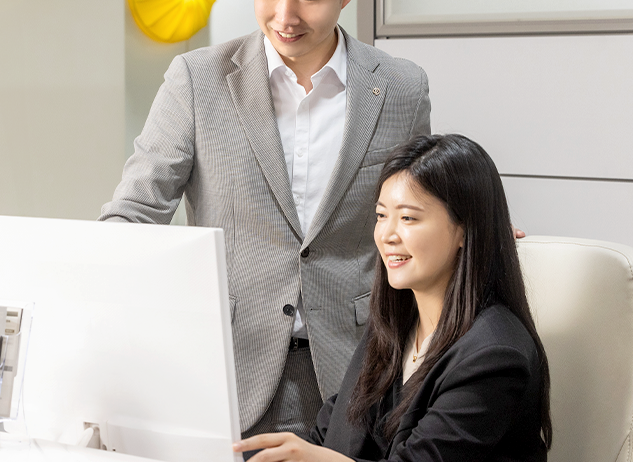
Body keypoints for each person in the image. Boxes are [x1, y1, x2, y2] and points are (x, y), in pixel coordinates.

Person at [99, 0, 430, 439]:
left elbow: (420, 207)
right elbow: (135, 212)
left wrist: (468, 223)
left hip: (358, 372)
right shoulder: (197, 80)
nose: (285, 16)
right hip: (225, 366)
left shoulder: (400, 87)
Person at [234, 134, 552, 461]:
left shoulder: (495, 355)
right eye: (381, 215)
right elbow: (330, 435)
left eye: (408, 218)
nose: (386, 235)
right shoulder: (394, 325)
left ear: (465, 229)